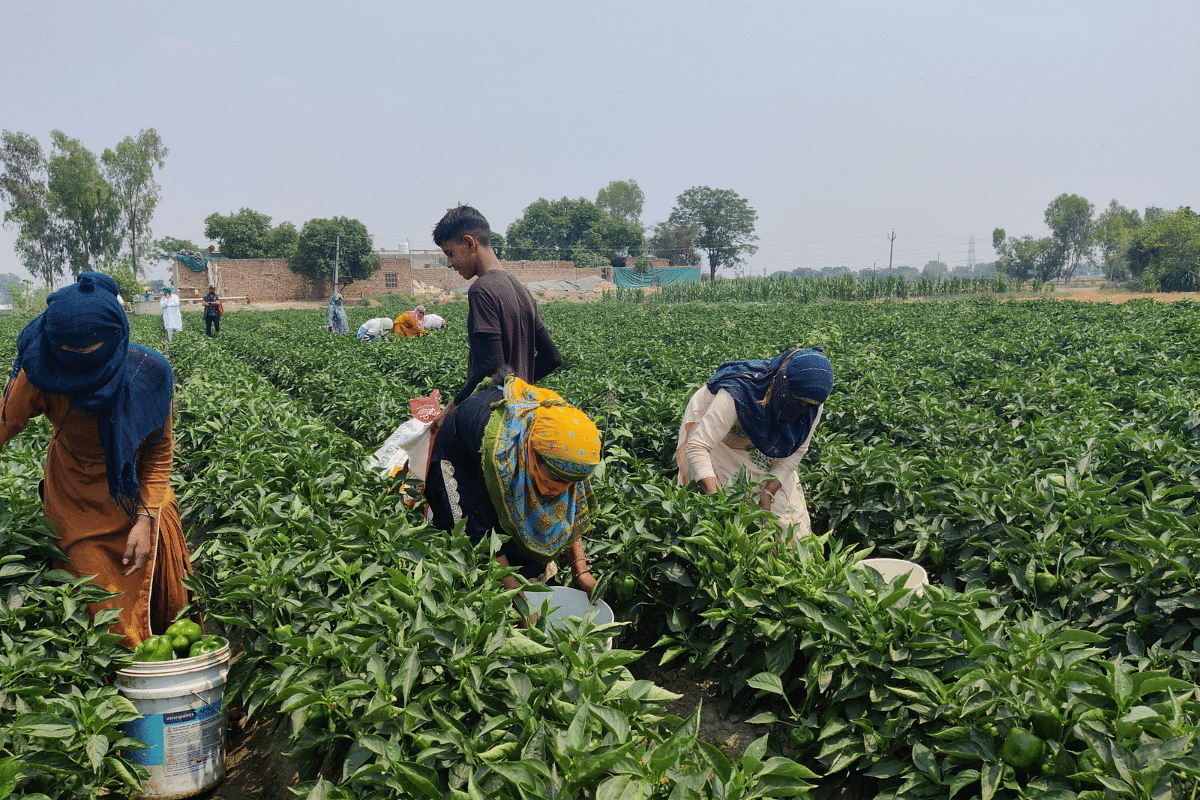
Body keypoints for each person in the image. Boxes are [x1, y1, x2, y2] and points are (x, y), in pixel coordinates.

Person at [0, 272, 193, 649]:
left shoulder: (147, 372)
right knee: (100, 602)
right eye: (67, 356)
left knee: (163, 597)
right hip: (77, 496)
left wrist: (145, 517)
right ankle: (114, 689)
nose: (77, 371)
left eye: (88, 358)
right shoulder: (41, 370)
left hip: (138, 490)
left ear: (116, 338)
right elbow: (5, 422)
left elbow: (158, 449)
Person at [425, 373, 601, 623]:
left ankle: (522, 581)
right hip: (461, 450)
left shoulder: (569, 455)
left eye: (568, 482)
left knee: (526, 517)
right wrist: (519, 603)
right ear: (532, 455)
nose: (563, 488)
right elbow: (482, 531)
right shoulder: (502, 458)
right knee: (466, 529)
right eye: (556, 478)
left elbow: (570, 509)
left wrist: (580, 570)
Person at [676, 347, 834, 544]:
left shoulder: (812, 407)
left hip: (759, 442)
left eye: (808, 405)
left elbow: (796, 452)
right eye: (798, 401)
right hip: (718, 439)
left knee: (789, 524)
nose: (801, 409)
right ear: (780, 383)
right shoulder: (737, 393)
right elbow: (698, 447)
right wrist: (719, 504)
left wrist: (768, 492)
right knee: (727, 513)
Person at [431, 206, 561, 428]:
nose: (450, 264)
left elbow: (490, 366)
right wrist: (520, 386)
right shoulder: (521, 290)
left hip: (493, 422)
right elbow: (552, 357)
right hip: (521, 418)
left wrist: (451, 409)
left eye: (450, 253)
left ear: (470, 243)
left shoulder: (482, 290)